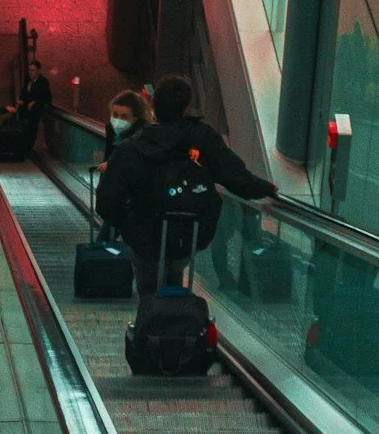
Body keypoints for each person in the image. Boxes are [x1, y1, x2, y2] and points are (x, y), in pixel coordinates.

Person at [97, 74, 276, 293]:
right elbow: (235, 176)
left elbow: (107, 200)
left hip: (143, 235)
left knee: (149, 287)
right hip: (189, 233)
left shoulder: (131, 148)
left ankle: (152, 316)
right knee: (174, 274)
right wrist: (266, 188)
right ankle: (175, 312)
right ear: (185, 108)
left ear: (153, 104)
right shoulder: (203, 137)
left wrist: (122, 223)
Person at [103, 88, 152, 159]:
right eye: (115, 115)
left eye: (124, 116)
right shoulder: (111, 130)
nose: (118, 120)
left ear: (135, 118)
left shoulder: (143, 137)